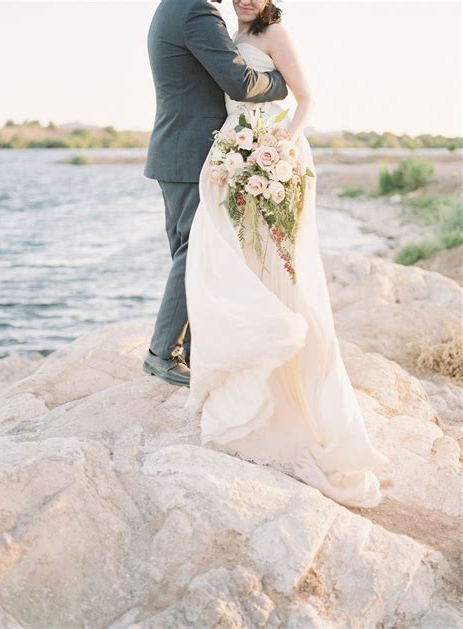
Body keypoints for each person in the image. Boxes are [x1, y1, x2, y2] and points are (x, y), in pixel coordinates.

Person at [182, 0, 391, 508]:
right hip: (230, 152)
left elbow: (306, 98)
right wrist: (243, 151)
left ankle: (290, 387)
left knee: (277, 265)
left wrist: (277, 148)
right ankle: (247, 372)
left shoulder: (275, 32)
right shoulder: (226, 31)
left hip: (270, 152)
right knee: (224, 256)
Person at [142, 0, 290, 387]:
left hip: (174, 150)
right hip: (190, 153)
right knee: (196, 251)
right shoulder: (197, 11)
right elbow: (240, 82)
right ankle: (162, 354)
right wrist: (278, 81)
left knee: (188, 251)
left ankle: (193, 349)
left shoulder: (171, 6)